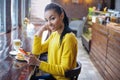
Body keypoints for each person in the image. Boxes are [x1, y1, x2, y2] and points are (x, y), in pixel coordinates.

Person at [26, 3, 78, 80]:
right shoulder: (55, 34)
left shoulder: (69, 38)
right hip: (53, 76)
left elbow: (64, 69)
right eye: (46, 20)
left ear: (61, 16)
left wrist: (38, 63)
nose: (49, 23)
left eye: (52, 18)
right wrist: (41, 30)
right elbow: (37, 51)